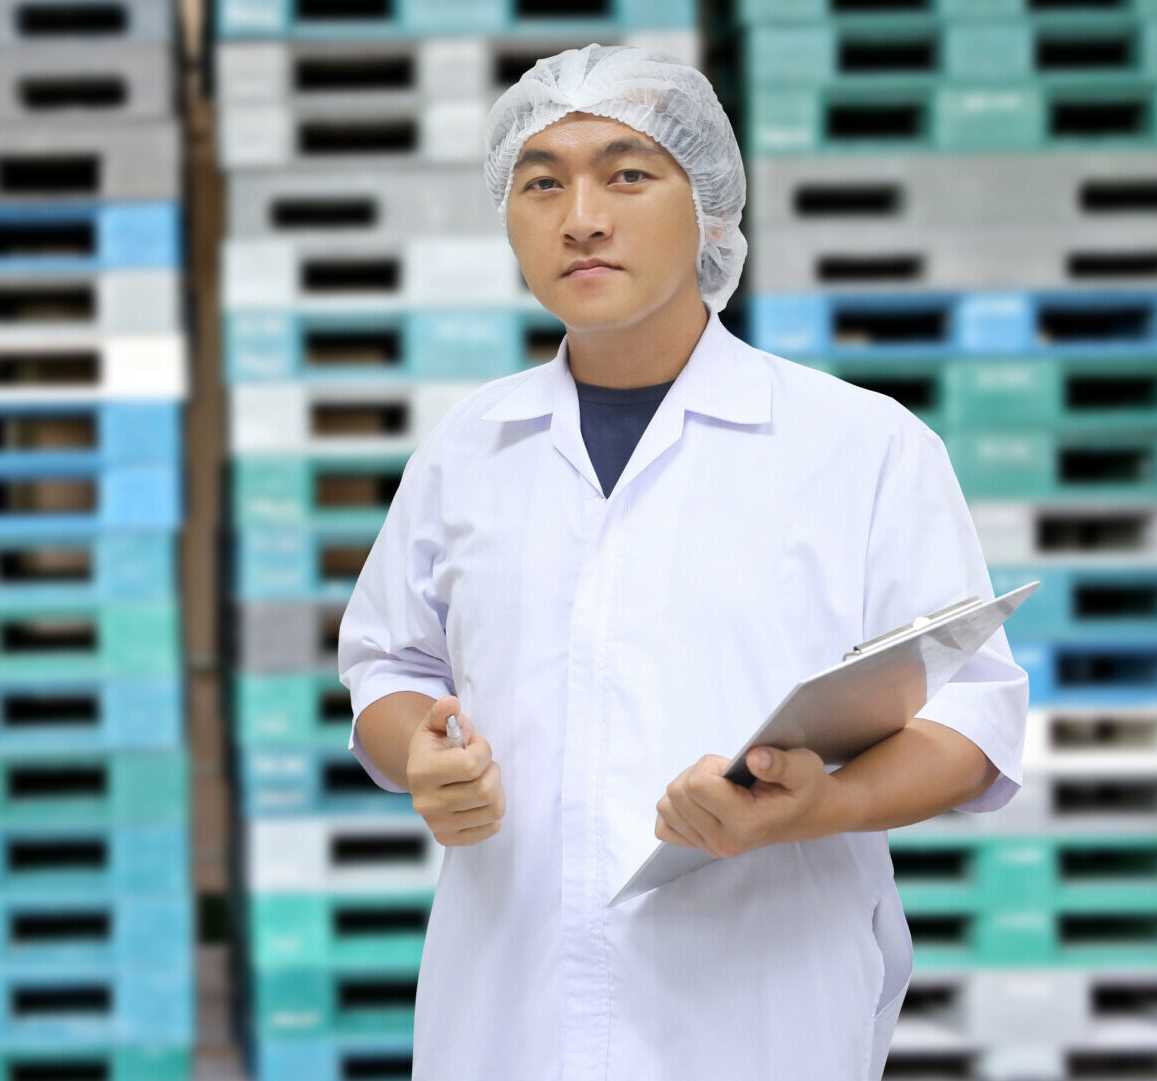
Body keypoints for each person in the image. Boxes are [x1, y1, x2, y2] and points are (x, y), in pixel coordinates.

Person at [336, 44, 1029, 1080]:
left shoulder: (860, 445)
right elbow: (388, 666)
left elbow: (973, 713)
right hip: (509, 1010)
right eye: (540, 182)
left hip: (759, 1013)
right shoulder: (467, 448)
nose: (580, 215)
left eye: (626, 172)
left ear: (708, 205)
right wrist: (419, 757)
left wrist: (825, 805)